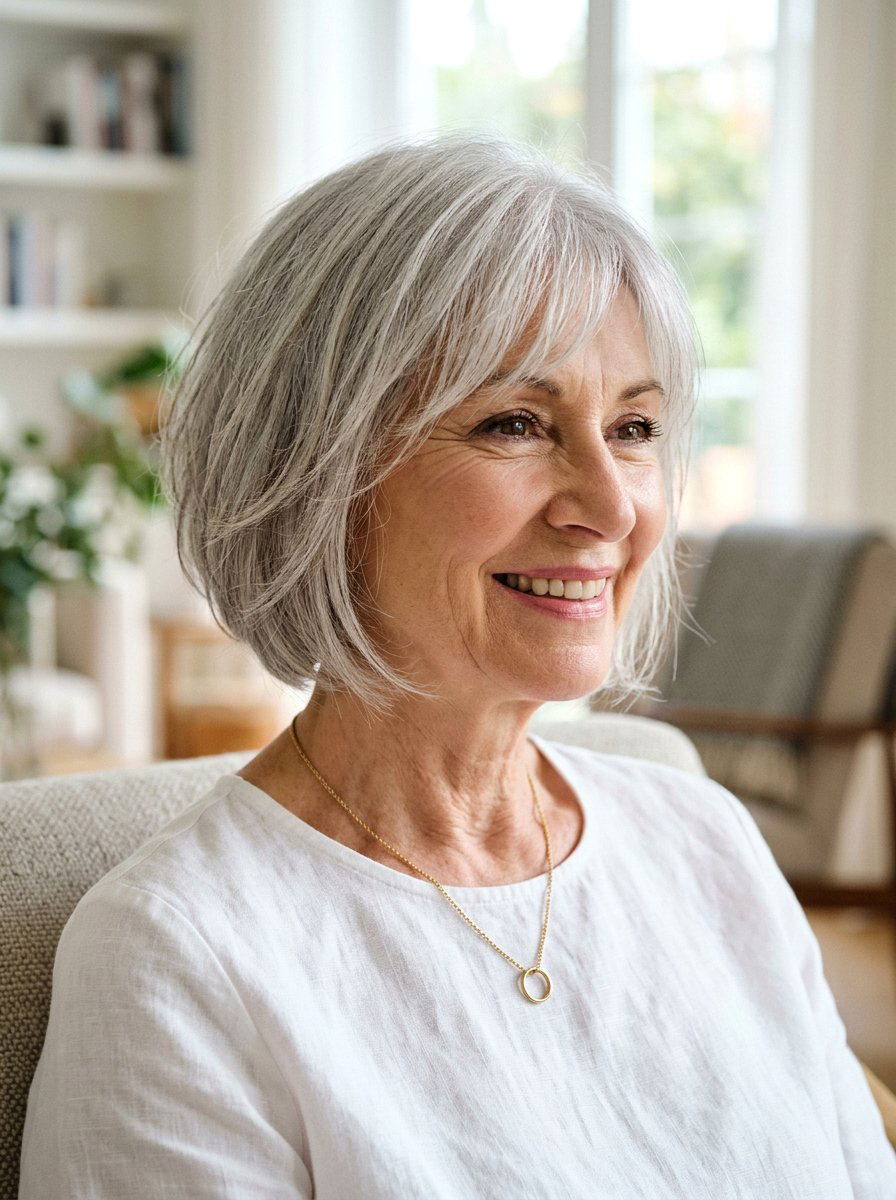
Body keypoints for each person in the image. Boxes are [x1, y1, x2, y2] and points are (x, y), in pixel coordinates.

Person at [18, 135, 896, 1198]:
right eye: (515, 423)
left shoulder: (703, 842)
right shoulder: (176, 957)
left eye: (631, 426)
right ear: (313, 472)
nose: (610, 507)